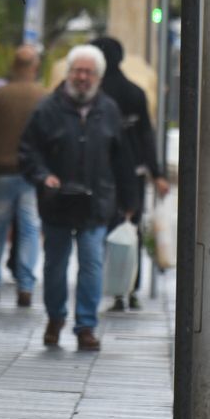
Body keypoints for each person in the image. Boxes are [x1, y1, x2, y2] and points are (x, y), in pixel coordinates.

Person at [18, 44, 137, 352]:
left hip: (96, 203)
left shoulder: (109, 110)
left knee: (92, 263)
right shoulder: (48, 109)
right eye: (77, 71)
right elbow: (28, 151)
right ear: (69, 74)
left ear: (98, 77)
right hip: (57, 202)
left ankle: (85, 325)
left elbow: (121, 157)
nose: (82, 77)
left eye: (88, 72)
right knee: (55, 265)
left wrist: (129, 200)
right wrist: (44, 176)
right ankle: (55, 317)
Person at [89, 36, 170, 312]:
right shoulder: (134, 92)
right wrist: (156, 173)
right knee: (129, 230)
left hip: (98, 173)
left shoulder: (94, 92)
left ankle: (102, 281)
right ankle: (129, 289)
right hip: (132, 173)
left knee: (99, 229)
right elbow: (146, 134)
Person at [0, 45, 48, 307]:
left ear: (14, 66)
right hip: (31, 175)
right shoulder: (45, 97)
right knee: (29, 229)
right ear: (35, 67)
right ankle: (25, 285)